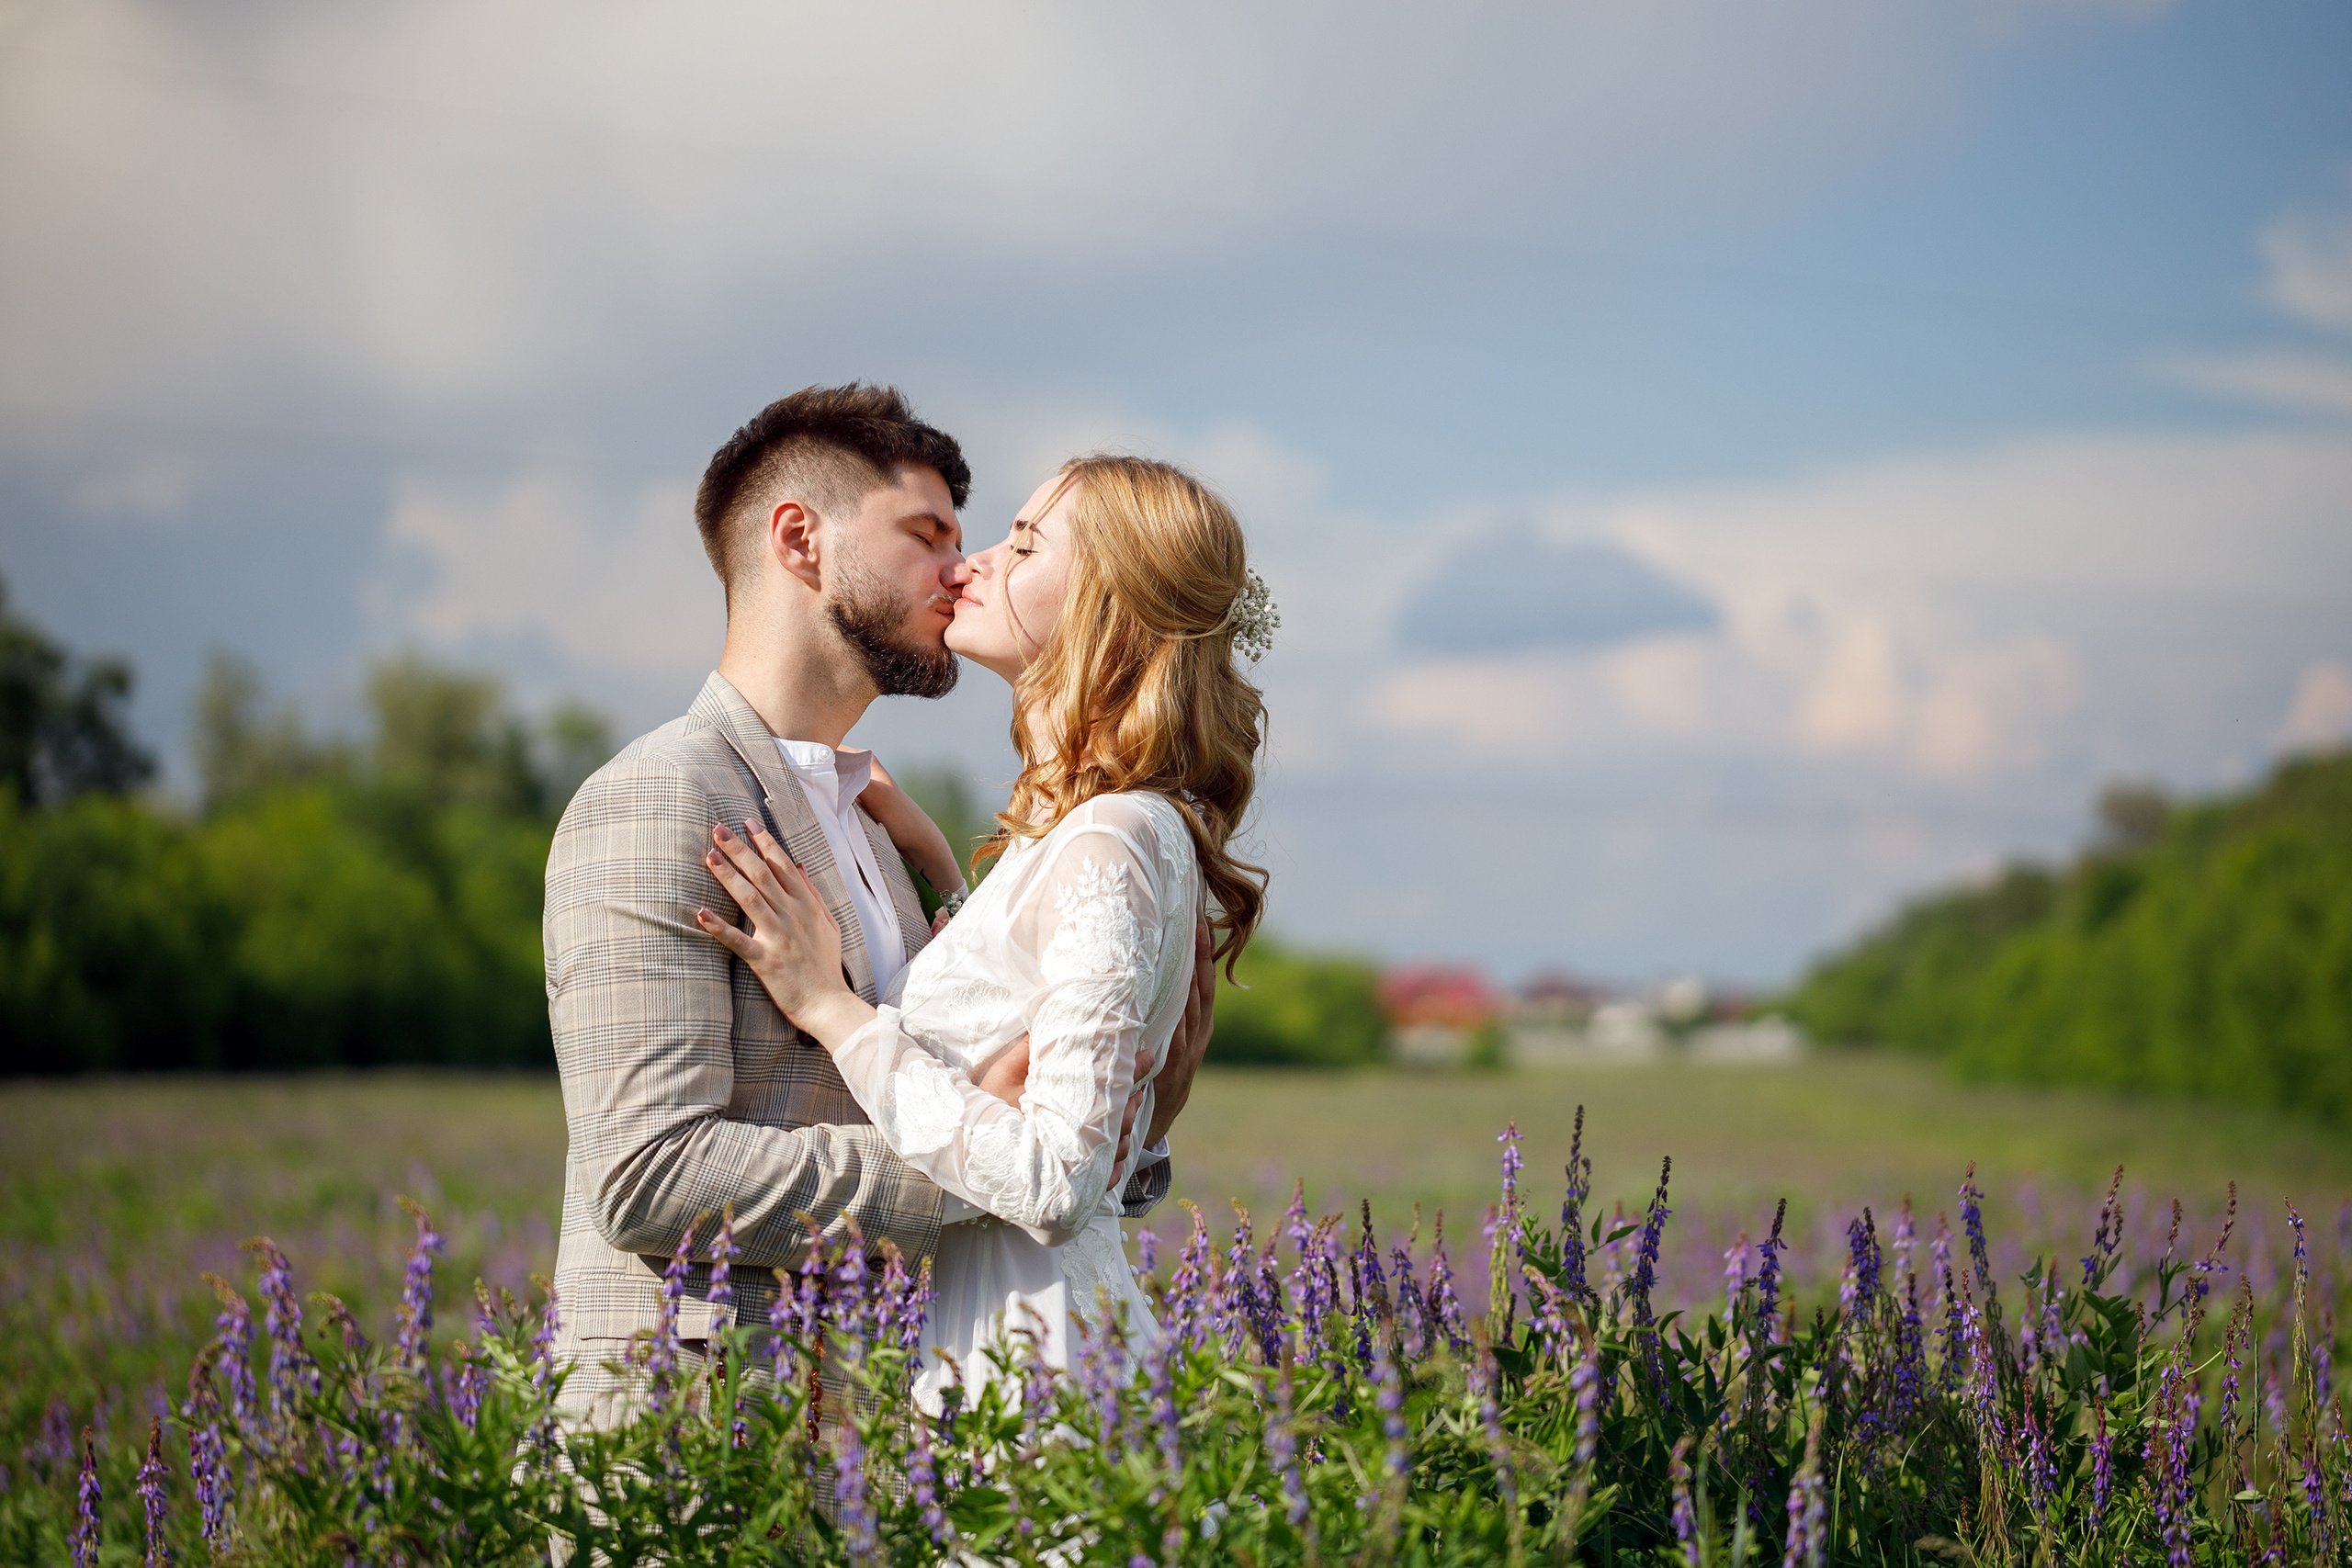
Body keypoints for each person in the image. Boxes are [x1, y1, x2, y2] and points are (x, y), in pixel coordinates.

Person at [542, 386, 1216, 1427]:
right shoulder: (661, 798)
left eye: (994, 541)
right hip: (695, 1436)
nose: (962, 567)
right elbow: (645, 1176)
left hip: (886, 1426)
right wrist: (998, 1165)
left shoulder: (877, 830)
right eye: (926, 533)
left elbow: (1013, 1121)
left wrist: (1116, 1134)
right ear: (800, 541)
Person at [694, 453, 1271, 1401]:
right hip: (1000, 1338)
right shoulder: (1101, 831)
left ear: (1109, 603)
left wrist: (831, 1008)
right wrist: (947, 879)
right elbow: (1016, 1017)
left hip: (1030, 1367)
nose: (975, 564)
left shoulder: (1112, 839)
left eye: (1023, 542)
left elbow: (1053, 1181)